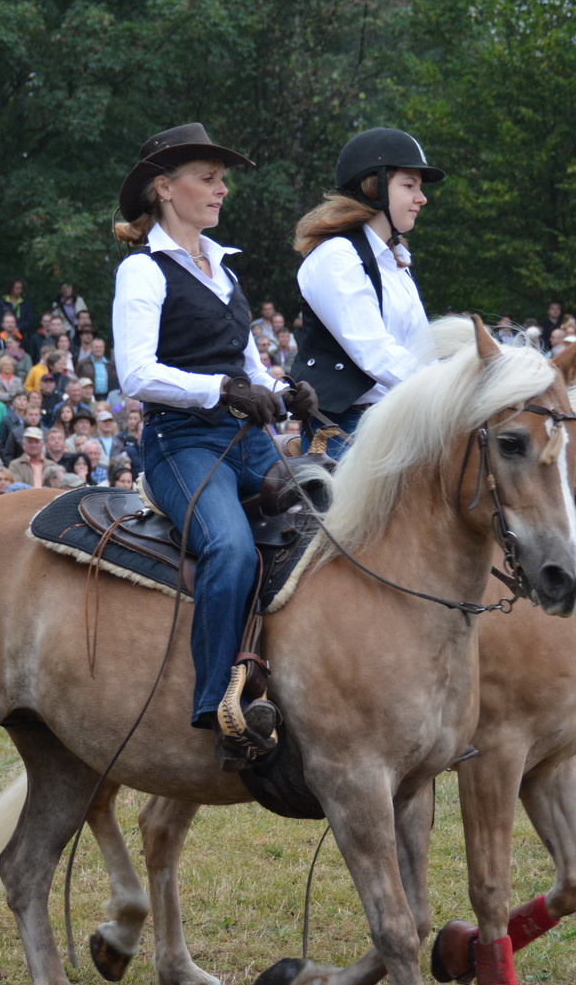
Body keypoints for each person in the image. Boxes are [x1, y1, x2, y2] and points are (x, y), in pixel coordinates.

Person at [111, 122, 312, 766]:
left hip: (246, 439)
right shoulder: (142, 272)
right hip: (180, 444)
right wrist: (221, 390)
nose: (222, 189)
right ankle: (216, 707)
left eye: (221, 179)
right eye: (210, 177)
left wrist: (287, 390)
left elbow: (250, 369)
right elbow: (136, 374)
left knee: (330, 516)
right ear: (165, 189)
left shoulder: (222, 266)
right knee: (228, 546)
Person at [290, 128, 441, 460]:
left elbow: (421, 347)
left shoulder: (396, 261)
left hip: (400, 422)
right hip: (346, 430)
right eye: (409, 185)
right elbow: (374, 352)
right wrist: (447, 388)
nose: (422, 198)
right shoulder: (336, 257)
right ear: (373, 186)